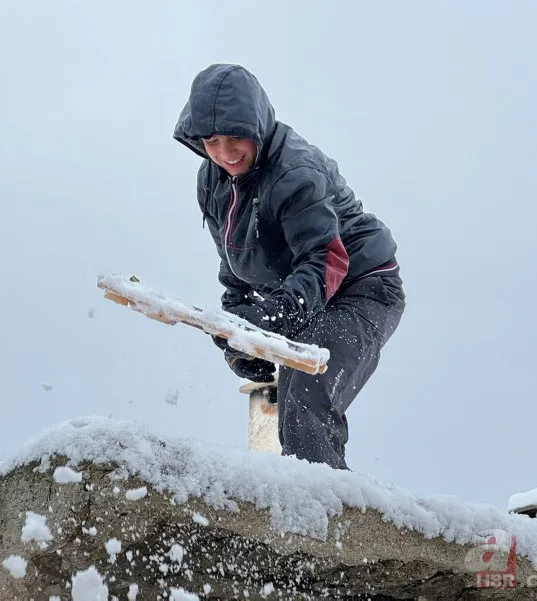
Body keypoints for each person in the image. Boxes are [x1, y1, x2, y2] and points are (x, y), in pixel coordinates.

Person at [173, 64, 406, 471]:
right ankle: (277, 504)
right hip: (304, 296)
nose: (225, 153)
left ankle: (324, 520)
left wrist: (267, 320)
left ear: (257, 126)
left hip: (362, 287)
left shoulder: (294, 171)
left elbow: (326, 260)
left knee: (306, 391)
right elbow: (235, 266)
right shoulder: (212, 182)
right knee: (272, 394)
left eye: (235, 138)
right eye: (211, 141)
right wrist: (238, 333)